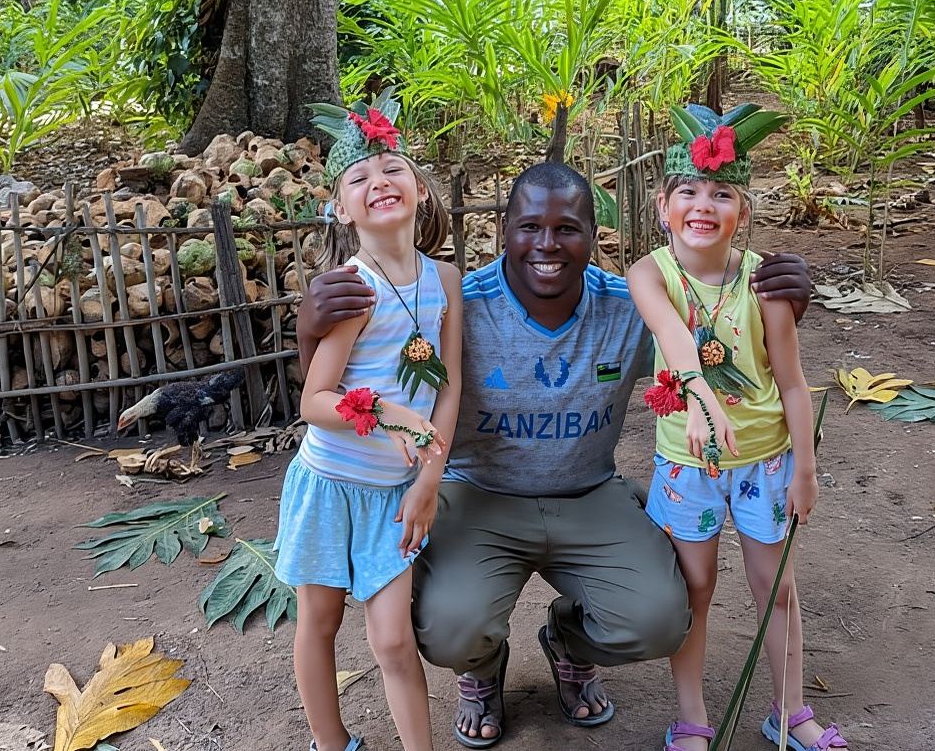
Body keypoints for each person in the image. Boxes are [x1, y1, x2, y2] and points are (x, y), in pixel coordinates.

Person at [296, 161, 815, 748]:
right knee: (448, 628)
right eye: (528, 227)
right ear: (504, 232)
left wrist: (780, 303)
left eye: (567, 228)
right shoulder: (454, 305)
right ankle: (482, 668)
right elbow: (361, 381)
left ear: (596, 236)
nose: (547, 244)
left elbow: (722, 346)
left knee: (660, 618)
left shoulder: (632, 307)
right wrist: (309, 334)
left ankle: (568, 642)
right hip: (479, 495)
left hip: (589, 493)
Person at [628, 105, 846, 751]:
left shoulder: (765, 282)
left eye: (722, 193)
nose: (704, 205)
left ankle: (790, 708)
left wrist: (805, 469)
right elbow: (671, 334)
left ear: (743, 209)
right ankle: (692, 714)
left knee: (775, 588)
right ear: (664, 205)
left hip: (765, 461)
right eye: (688, 192)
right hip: (687, 462)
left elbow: (792, 383)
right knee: (695, 587)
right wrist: (699, 401)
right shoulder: (650, 272)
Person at [277, 97, 464, 751]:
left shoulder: (445, 280)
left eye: (391, 169)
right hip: (330, 484)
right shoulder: (354, 288)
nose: (377, 182)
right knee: (320, 619)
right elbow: (315, 400)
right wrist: (384, 410)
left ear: (419, 187)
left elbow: (452, 382)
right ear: (340, 207)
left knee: (391, 637)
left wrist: (429, 476)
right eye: (358, 178)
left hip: (396, 495)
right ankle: (331, 743)